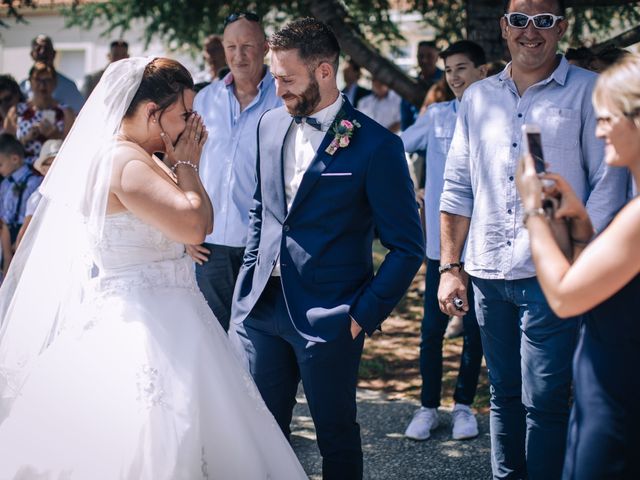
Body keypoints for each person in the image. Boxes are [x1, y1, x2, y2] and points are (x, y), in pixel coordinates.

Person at [0, 57, 307, 478]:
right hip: (141, 325)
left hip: (178, 317)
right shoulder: (122, 163)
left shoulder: (145, 156)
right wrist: (189, 164)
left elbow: (195, 220)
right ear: (151, 112)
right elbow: (196, 226)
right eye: (183, 114)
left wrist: (182, 166)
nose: (191, 124)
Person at [437, 1, 630, 478]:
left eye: (543, 21)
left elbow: (608, 185)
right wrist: (448, 266)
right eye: (519, 20)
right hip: (486, 271)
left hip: (554, 275)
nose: (530, 31)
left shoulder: (589, 93)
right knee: (502, 395)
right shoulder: (477, 96)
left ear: (560, 28)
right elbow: (457, 185)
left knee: (545, 400)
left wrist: (586, 263)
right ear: (504, 28)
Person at [230, 18, 424, 480]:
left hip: (331, 316)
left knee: (335, 433)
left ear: (323, 71)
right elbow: (262, 209)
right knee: (259, 432)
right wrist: (247, 284)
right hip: (261, 309)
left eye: (286, 79)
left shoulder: (377, 144)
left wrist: (361, 315)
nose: (277, 90)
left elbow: (407, 246)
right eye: (274, 77)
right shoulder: (268, 126)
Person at [515, 53, 640, 480]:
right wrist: (582, 226)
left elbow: (566, 297)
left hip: (617, 399)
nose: (599, 129)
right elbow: (608, 282)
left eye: (607, 119)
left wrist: (532, 210)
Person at [401, 40, 487, 442]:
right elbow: (395, 146)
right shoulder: (436, 115)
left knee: (473, 334)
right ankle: (428, 407)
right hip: (441, 247)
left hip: (483, 246)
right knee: (431, 332)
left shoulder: (497, 116)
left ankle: (464, 408)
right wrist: (411, 190)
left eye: (462, 68)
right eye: (449, 69)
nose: (454, 76)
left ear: (482, 72)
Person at [189, 11, 281, 331]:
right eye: (231, 47)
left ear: (266, 46)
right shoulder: (204, 99)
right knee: (213, 341)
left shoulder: (285, 98)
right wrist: (187, 232)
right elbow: (188, 165)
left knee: (255, 346)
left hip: (262, 250)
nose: (238, 56)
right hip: (209, 248)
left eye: (247, 46)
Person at [4, 62, 75, 165]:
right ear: (30, 82)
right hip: (25, 172)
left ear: (55, 82)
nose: (42, 85)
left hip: (53, 169)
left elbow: (72, 147)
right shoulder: (17, 111)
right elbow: (6, 147)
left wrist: (55, 135)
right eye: (38, 80)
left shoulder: (66, 112)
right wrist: (25, 139)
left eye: (47, 80)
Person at [0, 133, 42, 275]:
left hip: (25, 231)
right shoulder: (5, 184)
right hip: (7, 232)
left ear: (15, 159)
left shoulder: (33, 182)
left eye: (0, 164)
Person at [14, 139, 61, 249]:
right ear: (43, 170)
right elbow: (23, 236)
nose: (61, 167)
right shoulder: (38, 196)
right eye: (54, 163)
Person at [20, 34, 85, 114]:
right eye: (38, 48)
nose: (42, 52)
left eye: (46, 49)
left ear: (54, 54)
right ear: (32, 54)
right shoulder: (23, 87)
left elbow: (80, 114)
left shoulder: (68, 86)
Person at [400, 40, 443, 131]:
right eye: (421, 56)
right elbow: (405, 120)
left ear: (437, 57)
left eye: (429, 56)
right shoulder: (410, 84)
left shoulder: (446, 81)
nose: (424, 60)